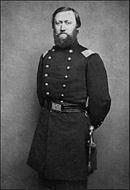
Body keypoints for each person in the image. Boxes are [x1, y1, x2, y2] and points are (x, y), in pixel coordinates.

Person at [27, 6, 111, 190]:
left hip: (74, 134)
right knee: (44, 183)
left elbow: (101, 101)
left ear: (77, 28)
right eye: (58, 23)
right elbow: (41, 95)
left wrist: (84, 124)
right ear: (53, 28)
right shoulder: (46, 56)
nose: (62, 27)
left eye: (67, 22)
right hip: (47, 129)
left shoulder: (90, 58)